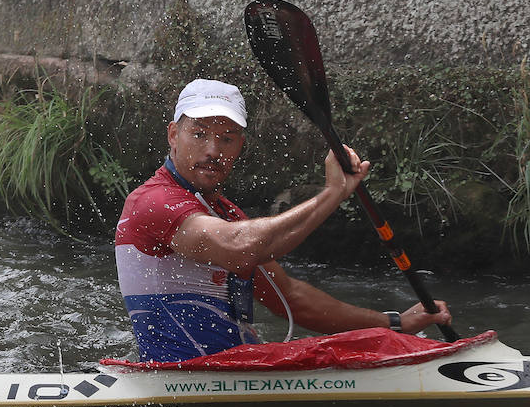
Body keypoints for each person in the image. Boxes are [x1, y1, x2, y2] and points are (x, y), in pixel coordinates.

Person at [115, 78, 451, 362]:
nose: (213, 150)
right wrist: (332, 194)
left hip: (234, 370)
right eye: (199, 134)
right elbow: (239, 248)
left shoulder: (225, 213)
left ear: (240, 146)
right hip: (180, 380)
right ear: (174, 135)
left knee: (379, 346)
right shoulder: (152, 201)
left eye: (227, 138)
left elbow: (289, 298)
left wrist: (393, 324)